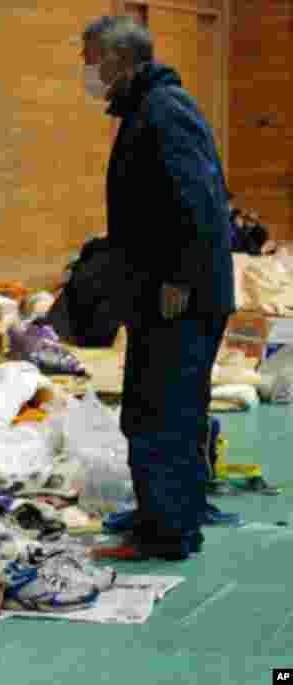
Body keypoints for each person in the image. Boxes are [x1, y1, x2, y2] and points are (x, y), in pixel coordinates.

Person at [81, 17, 235, 560]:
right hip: (164, 290)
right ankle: (166, 510)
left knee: (159, 411)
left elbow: (199, 202)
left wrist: (178, 278)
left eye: (91, 57)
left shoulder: (165, 110)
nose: (87, 70)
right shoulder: (150, 108)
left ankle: (166, 532)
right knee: (164, 407)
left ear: (120, 59)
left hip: (179, 296)